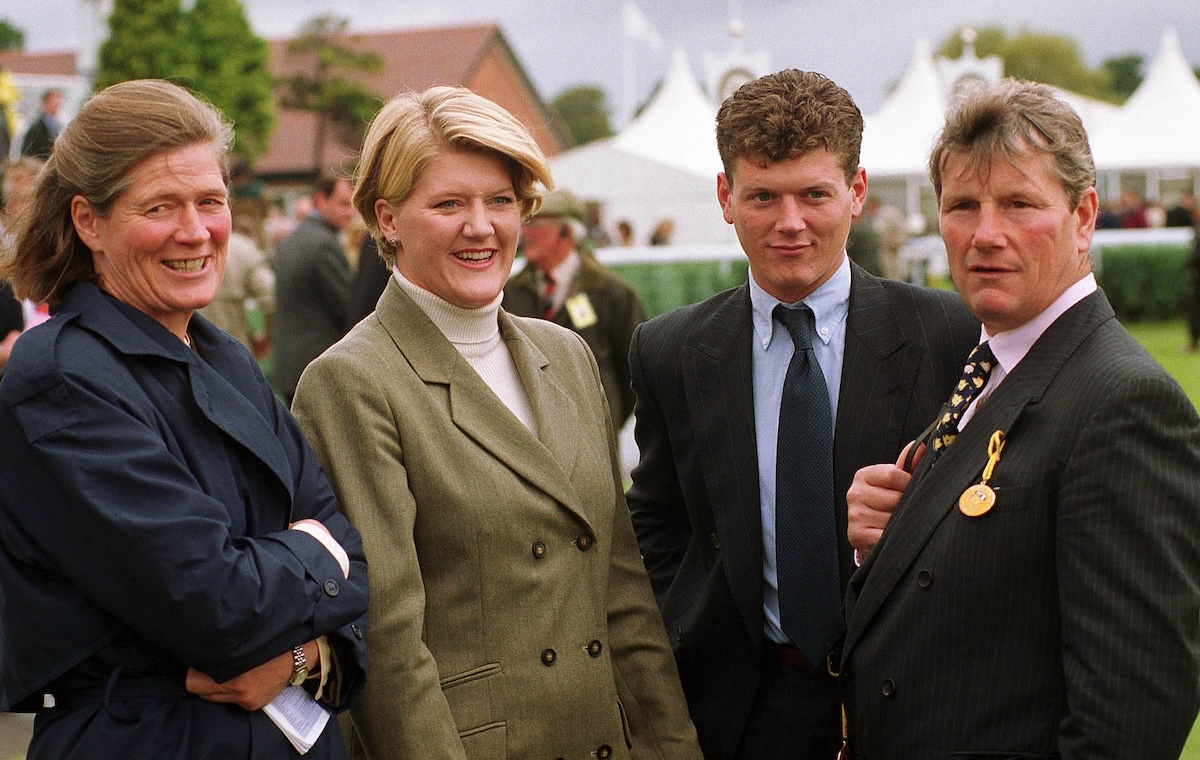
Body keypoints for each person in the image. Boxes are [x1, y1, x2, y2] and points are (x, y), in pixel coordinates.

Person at [291, 85, 702, 760]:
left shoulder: (564, 355)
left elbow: (621, 586)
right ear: (388, 218)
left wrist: (671, 746)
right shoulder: (351, 382)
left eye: (500, 201)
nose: (480, 226)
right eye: (449, 203)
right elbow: (388, 644)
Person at [0, 79, 369, 759]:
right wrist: (316, 552)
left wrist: (299, 658)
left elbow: (358, 562)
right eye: (161, 206)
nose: (195, 231)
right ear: (89, 222)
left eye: (210, 202)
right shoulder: (63, 376)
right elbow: (219, 604)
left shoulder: (222, 355)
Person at [625, 68, 978, 760]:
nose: (790, 223)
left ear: (857, 191)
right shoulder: (668, 351)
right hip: (741, 711)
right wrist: (685, 633)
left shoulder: (950, 334)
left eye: (815, 194)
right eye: (763, 196)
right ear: (726, 197)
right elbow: (657, 519)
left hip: (909, 704)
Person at [842, 78, 1200, 760]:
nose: (985, 234)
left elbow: (1128, 723)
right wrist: (883, 541)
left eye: (1019, 204)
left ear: (1084, 216)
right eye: (963, 206)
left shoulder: (1123, 405)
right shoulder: (987, 364)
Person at [504, 188, 647, 431]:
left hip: (593, 434)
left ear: (566, 232)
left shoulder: (611, 294)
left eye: (535, 224)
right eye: (524, 223)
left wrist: (607, 421)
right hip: (529, 433)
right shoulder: (508, 293)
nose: (524, 233)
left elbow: (635, 372)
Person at [272, 174, 355, 403]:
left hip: (292, 364)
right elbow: (348, 307)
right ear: (321, 200)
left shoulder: (295, 237)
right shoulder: (322, 244)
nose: (350, 212)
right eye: (343, 204)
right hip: (315, 366)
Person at [198, 216, 275, 356]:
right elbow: (270, 295)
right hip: (234, 347)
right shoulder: (245, 249)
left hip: (188, 345)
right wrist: (265, 335)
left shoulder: (184, 246)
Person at [20, 89, 62, 159]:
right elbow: (27, 154)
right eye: (53, 103)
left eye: (57, 104)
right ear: (45, 103)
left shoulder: (60, 126)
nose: (56, 107)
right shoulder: (35, 128)